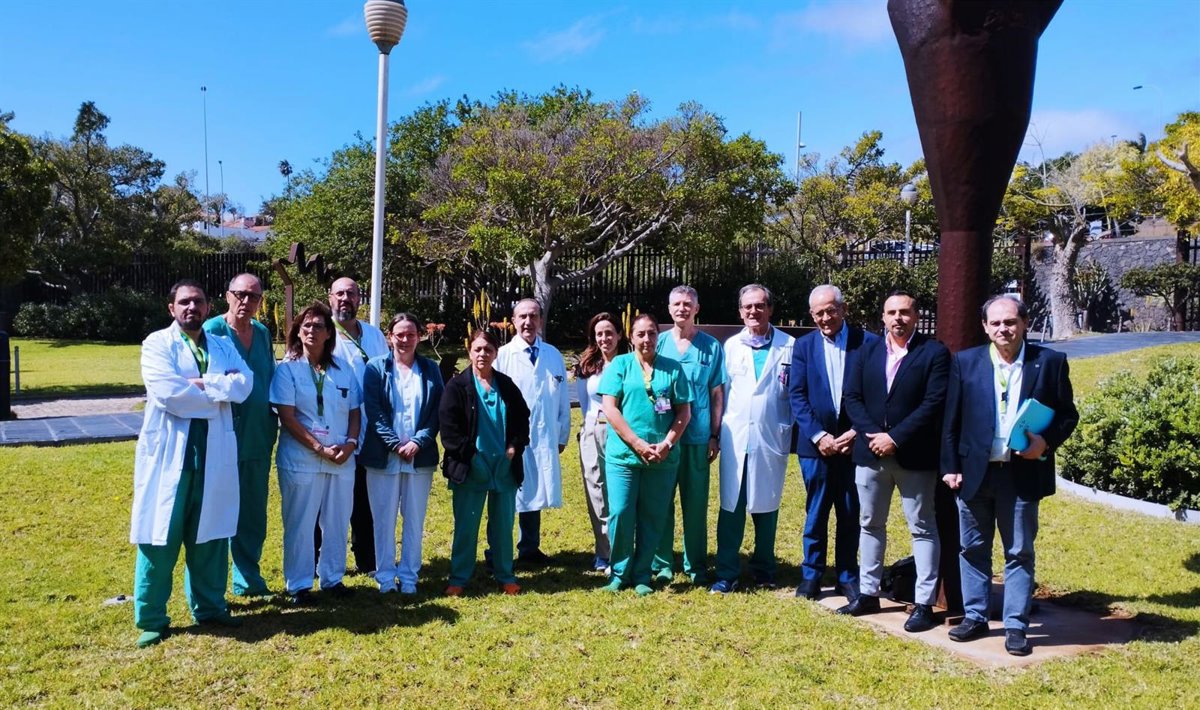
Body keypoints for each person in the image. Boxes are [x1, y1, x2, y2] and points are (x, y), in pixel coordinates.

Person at [942, 295, 1078, 656]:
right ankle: (975, 616)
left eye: (1010, 322)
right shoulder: (966, 362)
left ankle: (1016, 625)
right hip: (975, 472)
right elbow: (951, 420)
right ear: (985, 327)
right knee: (972, 548)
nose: (1003, 329)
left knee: (1018, 551)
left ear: (1024, 323)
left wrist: (1045, 443)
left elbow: (1068, 415)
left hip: (1021, 474)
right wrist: (950, 466)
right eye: (996, 323)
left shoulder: (1049, 363)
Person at [131, 279, 252, 648]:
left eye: (198, 302)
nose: (191, 308)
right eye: (184, 302)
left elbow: (244, 385)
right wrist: (219, 391)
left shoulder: (222, 344)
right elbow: (169, 394)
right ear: (172, 308)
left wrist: (201, 384)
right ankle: (152, 617)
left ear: (208, 307)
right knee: (160, 536)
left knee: (211, 534)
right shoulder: (156, 343)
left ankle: (210, 607)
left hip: (213, 452)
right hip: (170, 454)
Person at [841, 291, 950, 633]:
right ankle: (868, 593)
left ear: (916, 316)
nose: (898, 318)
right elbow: (852, 397)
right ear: (883, 317)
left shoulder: (933, 353)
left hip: (913, 455)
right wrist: (874, 435)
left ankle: (923, 603)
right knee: (870, 523)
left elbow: (933, 403)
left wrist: (896, 438)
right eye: (891, 313)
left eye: (904, 312)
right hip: (870, 453)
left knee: (922, 526)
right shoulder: (866, 351)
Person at [270, 302, 362, 604]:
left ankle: (332, 579)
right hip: (303, 460)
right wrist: (319, 448)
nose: (311, 331)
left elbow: (355, 412)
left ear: (328, 333)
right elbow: (288, 417)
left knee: (337, 521)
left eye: (318, 326)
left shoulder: (344, 370)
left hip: (340, 458)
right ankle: (298, 585)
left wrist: (350, 443)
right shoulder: (287, 370)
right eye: (306, 326)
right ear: (297, 331)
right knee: (300, 523)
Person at [789, 285, 876, 601]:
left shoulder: (868, 343)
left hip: (854, 444)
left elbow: (876, 394)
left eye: (831, 310)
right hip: (816, 448)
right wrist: (819, 436)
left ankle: (847, 576)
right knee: (816, 512)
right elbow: (797, 395)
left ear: (844, 309)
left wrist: (857, 432)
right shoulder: (803, 346)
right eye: (819, 313)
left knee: (850, 511)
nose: (826, 318)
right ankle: (811, 575)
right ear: (811, 315)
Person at [598, 313, 692, 596]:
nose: (647, 339)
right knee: (621, 513)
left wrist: (667, 444)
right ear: (631, 337)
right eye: (641, 334)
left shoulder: (672, 368)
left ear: (658, 336)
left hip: (662, 458)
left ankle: (642, 575)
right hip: (624, 456)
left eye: (652, 333)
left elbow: (683, 411)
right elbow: (610, 408)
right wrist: (637, 443)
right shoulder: (620, 365)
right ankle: (619, 573)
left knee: (653, 517)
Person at [710, 285, 795, 594]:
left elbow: (795, 393)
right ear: (740, 311)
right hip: (735, 437)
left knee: (767, 506)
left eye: (760, 305)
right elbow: (720, 395)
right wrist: (714, 434)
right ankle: (726, 572)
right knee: (731, 505)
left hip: (770, 436)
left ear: (770, 309)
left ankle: (765, 569)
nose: (754, 311)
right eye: (748, 307)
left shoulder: (789, 346)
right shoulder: (731, 346)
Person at [439, 329, 531, 596]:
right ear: (469, 351)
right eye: (477, 349)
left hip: (504, 467)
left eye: (488, 350)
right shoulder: (457, 387)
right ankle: (458, 579)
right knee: (466, 527)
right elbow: (449, 430)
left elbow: (522, 419)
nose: (482, 354)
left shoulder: (506, 385)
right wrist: (469, 455)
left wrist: (514, 446)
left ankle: (506, 576)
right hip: (470, 466)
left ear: (496, 353)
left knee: (503, 527)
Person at [202, 273, 277, 598]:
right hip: (222, 434)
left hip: (258, 434)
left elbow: (269, 376)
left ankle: (248, 578)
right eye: (240, 294)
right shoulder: (212, 330)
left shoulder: (262, 333)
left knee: (253, 513)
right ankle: (212, 584)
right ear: (227, 295)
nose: (246, 301)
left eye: (254, 296)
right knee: (218, 510)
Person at [360, 313, 444, 594]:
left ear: (419, 337)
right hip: (382, 456)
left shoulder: (430, 369)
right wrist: (395, 444)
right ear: (390, 337)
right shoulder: (375, 368)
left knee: (414, 519)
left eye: (411, 334)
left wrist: (419, 441)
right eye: (400, 334)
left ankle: (409, 577)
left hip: (420, 457)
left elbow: (437, 411)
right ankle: (385, 577)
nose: (405, 340)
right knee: (383, 520)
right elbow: (374, 411)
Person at [651, 286, 726, 587]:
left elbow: (717, 393)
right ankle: (661, 563)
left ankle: (695, 565)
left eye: (687, 304)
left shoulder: (711, 347)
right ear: (669, 309)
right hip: (665, 437)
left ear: (697, 308)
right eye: (677, 304)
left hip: (697, 438)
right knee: (661, 501)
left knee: (695, 505)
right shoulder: (658, 343)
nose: (682, 308)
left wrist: (714, 434)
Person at [494, 298, 571, 565]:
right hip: (511, 437)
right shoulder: (503, 356)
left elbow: (562, 398)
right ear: (513, 321)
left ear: (540, 320)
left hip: (545, 434)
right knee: (507, 492)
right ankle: (498, 551)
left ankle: (529, 547)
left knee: (534, 488)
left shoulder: (553, 355)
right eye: (523, 317)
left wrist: (562, 434)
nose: (528, 322)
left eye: (533, 316)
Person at [323, 277, 389, 575]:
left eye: (351, 293)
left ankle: (367, 560)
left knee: (366, 499)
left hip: (371, 429)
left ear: (360, 299)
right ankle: (318, 561)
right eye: (339, 293)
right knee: (328, 502)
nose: (345, 298)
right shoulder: (322, 332)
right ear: (330, 298)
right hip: (335, 430)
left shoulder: (373, 335)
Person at [574, 312, 629, 573]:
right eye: (599, 334)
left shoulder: (630, 362)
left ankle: (624, 546)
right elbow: (585, 404)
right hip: (593, 430)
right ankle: (603, 550)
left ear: (619, 334)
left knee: (620, 489)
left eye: (609, 333)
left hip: (622, 432)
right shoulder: (587, 366)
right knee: (596, 489)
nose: (604, 338)